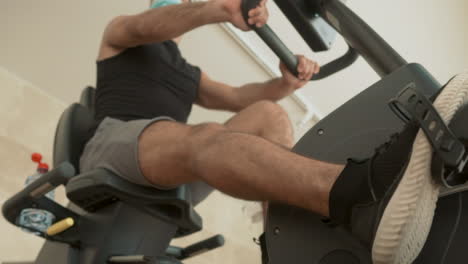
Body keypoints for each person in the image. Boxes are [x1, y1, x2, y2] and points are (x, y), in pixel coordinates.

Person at [80, 0, 463, 262]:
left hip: (167, 163)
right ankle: (354, 195)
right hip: (113, 146)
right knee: (205, 136)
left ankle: (279, 244)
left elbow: (238, 96)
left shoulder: (187, 72)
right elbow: (147, 25)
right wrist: (217, 9)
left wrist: (286, 83)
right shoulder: (122, 35)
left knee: (268, 114)